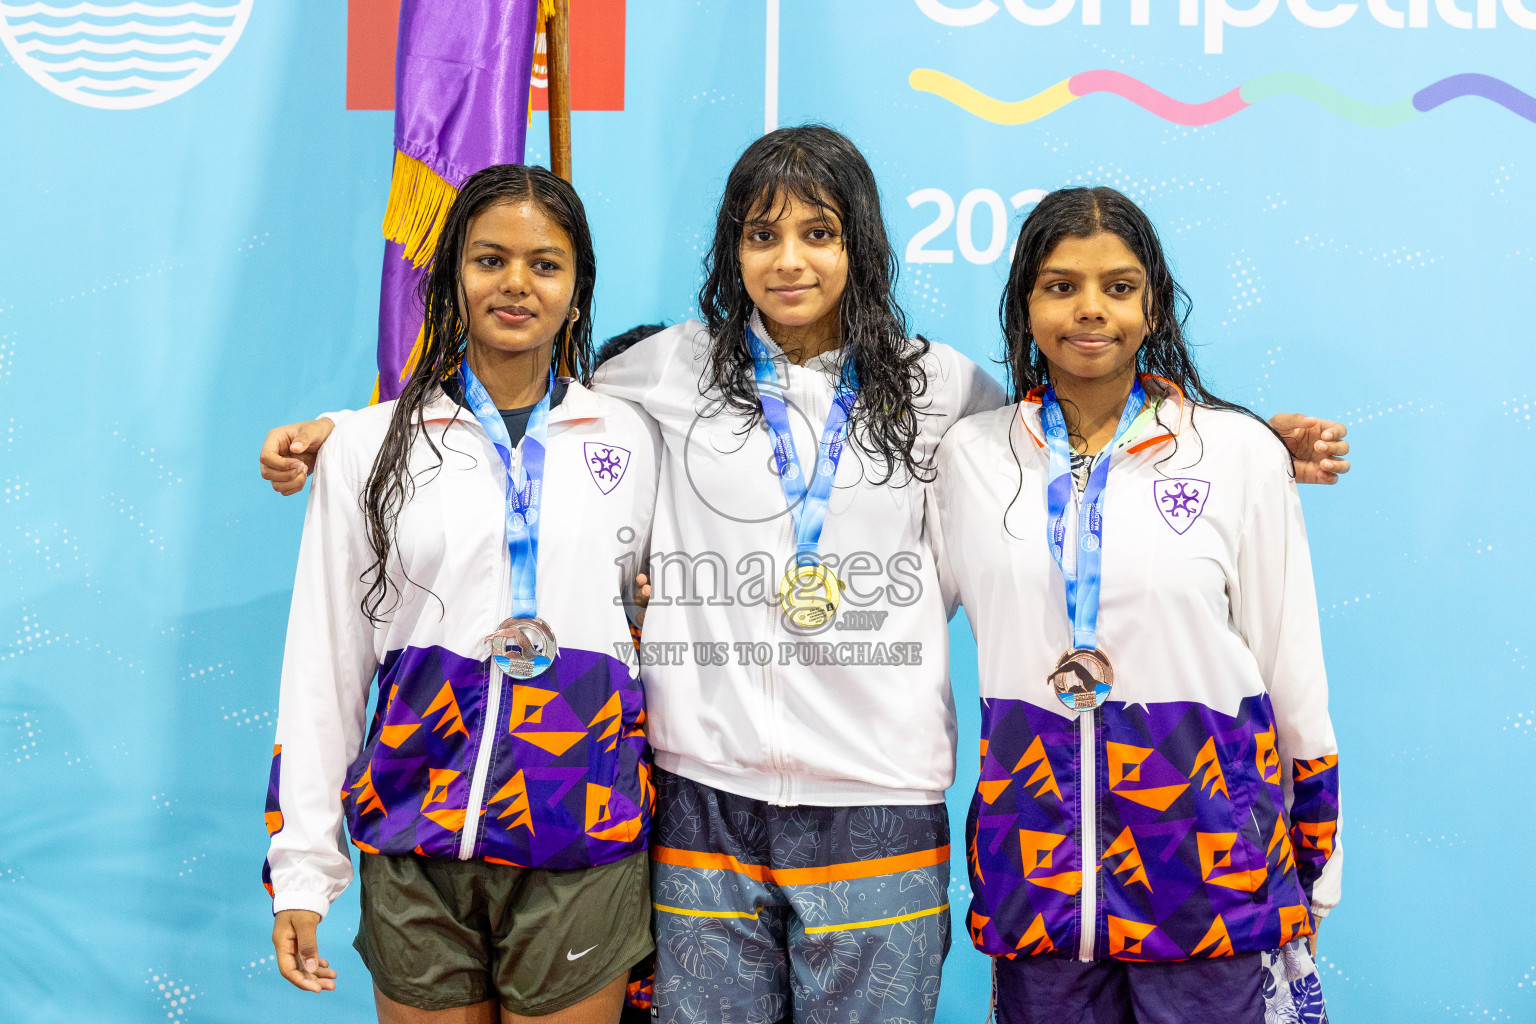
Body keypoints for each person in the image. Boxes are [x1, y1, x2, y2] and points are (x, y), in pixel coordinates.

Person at [257, 127, 1350, 1023]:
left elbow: (1080, 422)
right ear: (729, 250)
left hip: (878, 806)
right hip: (703, 801)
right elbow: (517, 401)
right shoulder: (658, 373)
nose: (790, 260)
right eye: (763, 234)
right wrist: (344, 435)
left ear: (860, 244)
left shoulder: (944, 394)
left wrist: (1237, 428)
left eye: (819, 233)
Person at [930, 187, 1339, 1024]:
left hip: (1210, 880)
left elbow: (1289, 659)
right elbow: (898, 614)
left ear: (1153, 301)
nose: (1090, 310)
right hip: (1038, 878)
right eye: (1060, 286)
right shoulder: (970, 456)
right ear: (1025, 302)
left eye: (1118, 287)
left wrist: (1316, 853)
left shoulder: (1235, 452)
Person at [262, 163, 659, 1024]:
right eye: (490, 260)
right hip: (414, 834)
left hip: (579, 837)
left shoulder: (633, 439)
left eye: (546, 265)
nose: (516, 283)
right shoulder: (368, 451)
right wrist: (303, 867)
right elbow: (323, 666)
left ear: (577, 293)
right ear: (453, 279)